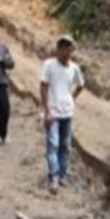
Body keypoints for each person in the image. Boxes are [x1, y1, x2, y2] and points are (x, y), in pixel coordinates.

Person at [40, 35, 85, 194]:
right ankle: (54, 176)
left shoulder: (74, 68)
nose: (67, 53)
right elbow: (43, 87)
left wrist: (71, 98)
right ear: (59, 49)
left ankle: (62, 175)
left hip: (67, 112)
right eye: (65, 49)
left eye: (70, 49)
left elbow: (81, 85)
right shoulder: (49, 65)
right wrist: (47, 111)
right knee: (53, 144)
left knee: (65, 145)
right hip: (53, 112)